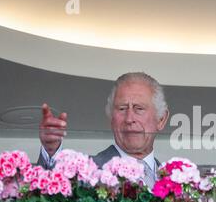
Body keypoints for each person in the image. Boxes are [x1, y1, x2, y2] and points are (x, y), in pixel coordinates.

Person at [37, 72, 170, 189]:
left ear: (161, 119)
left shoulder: (178, 181)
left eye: (139, 108)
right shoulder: (86, 172)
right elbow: (47, 197)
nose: (129, 119)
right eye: (122, 108)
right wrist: (51, 151)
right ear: (111, 118)